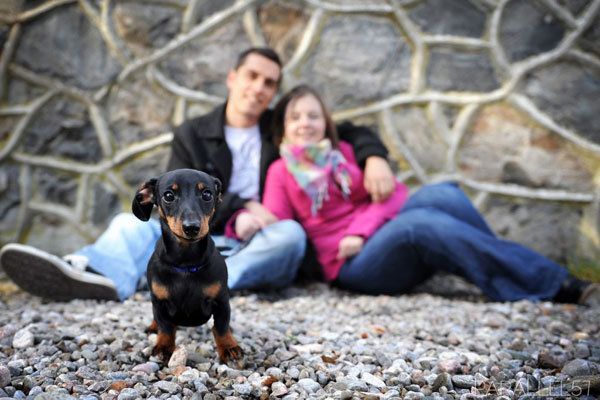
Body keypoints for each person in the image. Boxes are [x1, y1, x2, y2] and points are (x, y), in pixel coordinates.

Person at [0, 48, 396, 302]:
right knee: (128, 223)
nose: (259, 88)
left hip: (259, 239)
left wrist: (374, 156)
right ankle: (93, 272)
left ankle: (198, 287)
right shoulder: (192, 133)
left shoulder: (281, 127)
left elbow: (346, 130)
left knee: (290, 236)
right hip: (197, 231)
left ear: (274, 92)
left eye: (269, 82)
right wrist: (241, 207)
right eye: (252, 76)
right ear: (232, 78)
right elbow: (177, 196)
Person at [258, 84, 600, 306]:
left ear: (326, 123)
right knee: (420, 223)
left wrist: (360, 229)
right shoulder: (280, 172)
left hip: (371, 234)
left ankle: (507, 270)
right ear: (283, 128)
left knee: (444, 194)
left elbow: (395, 195)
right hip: (351, 265)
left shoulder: (346, 152)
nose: (305, 123)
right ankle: (554, 284)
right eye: (295, 116)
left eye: (313, 115)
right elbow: (284, 232)